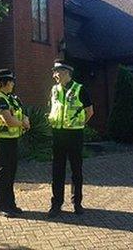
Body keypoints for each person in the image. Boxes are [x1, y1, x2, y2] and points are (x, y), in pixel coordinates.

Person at [47, 60, 94, 218]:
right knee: (57, 171)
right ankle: (56, 204)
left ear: (66, 72)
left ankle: (77, 203)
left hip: (74, 135)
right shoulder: (54, 90)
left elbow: (89, 111)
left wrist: (79, 124)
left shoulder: (80, 89)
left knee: (76, 170)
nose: (54, 75)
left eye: (57, 72)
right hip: (58, 134)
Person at [0, 69, 30, 218]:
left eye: (12, 81)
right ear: (1, 83)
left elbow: (22, 114)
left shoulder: (11, 98)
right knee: (2, 173)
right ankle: (1, 206)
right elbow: (9, 121)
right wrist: (23, 124)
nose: (12, 83)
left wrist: (26, 120)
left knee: (10, 173)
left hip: (11, 140)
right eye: (9, 81)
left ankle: (10, 204)